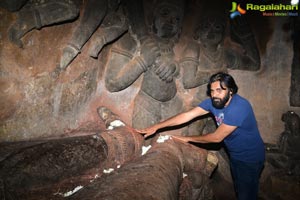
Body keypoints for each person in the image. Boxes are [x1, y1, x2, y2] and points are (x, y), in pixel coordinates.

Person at [135, 72, 265, 200]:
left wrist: (187, 139)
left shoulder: (239, 107)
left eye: (219, 90)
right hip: (235, 155)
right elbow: (187, 116)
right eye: (212, 91)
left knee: (246, 194)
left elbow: (216, 138)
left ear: (231, 91)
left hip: (250, 157)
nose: (214, 95)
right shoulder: (213, 103)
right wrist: (157, 126)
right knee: (240, 188)